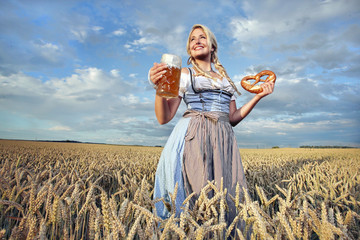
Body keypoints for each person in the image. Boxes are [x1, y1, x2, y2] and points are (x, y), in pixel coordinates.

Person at [148, 24, 274, 226]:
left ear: (213, 46)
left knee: (224, 197)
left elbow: (232, 118)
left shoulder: (225, 80)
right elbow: (164, 117)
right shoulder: (184, 74)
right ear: (189, 49)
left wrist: (258, 96)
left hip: (223, 140)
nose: (197, 41)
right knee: (196, 196)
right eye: (192, 39)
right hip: (194, 134)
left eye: (202, 37)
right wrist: (159, 89)